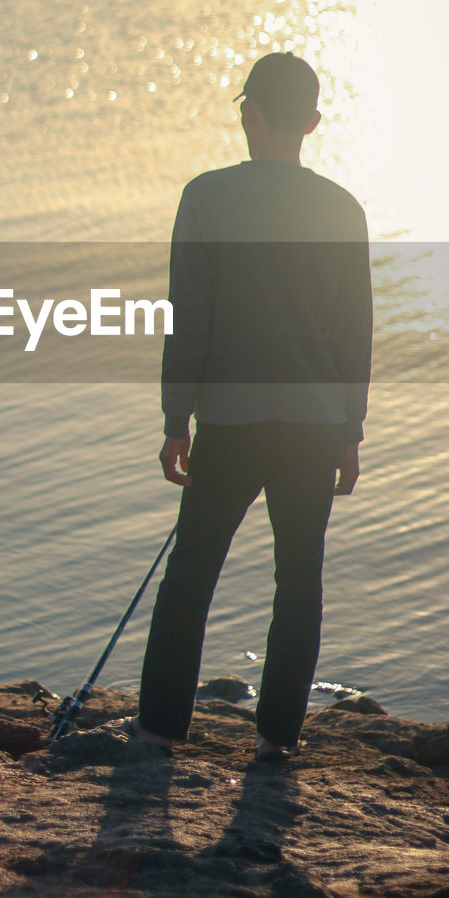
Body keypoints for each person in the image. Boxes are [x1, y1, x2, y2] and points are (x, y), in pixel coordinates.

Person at [124, 51, 372, 761]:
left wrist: (176, 420)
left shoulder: (207, 196)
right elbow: (355, 334)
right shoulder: (341, 208)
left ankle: (160, 728)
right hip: (315, 428)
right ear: (314, 122)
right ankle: (277, 743)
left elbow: (189, 319)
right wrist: (351, 433)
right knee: (299, 580)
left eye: (244, 110)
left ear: (251, 115)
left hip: (229, 426)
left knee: (191, 576)